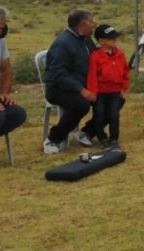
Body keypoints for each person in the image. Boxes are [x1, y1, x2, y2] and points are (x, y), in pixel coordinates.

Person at [43, 9, 97, 154]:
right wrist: (81, 90)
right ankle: (53, 139)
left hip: (82, 85)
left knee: (113, 97)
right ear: (83, 25)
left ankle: (87, 132)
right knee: (81, 105)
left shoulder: (86, 39)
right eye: (91, 22)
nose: (94, 24)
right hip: (58, 89)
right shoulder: (63, 44)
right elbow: (59, 75)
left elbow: (95, 58)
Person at [85, 25, 130, 149]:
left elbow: (126, 72)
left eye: (115, 37)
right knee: (99, 115)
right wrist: (93, 92)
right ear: (101, 41)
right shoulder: (95, 56)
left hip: (115, 91)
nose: (115, 40)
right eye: (111, 38)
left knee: (114, 115)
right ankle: (102, 138)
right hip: (100, 92)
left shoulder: (120, 54)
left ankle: (114, 139)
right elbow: (92, 75)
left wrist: (124, 87)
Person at [0, 7, 27, 143]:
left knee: (17, 114)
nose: (1, 31)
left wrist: (5, 93)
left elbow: (6, 69)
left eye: (3, 27)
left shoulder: (0, 41)